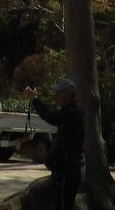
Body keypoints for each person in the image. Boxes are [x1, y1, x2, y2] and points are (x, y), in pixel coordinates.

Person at [24, 77, 84, 210]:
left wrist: (34, 100)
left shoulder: (73, 113)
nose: (57, 96)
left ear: (67, 94)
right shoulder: (70, 111)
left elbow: (51, 117)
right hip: (64, 170)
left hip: (68, 170)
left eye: (59, 93)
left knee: (63, 205)